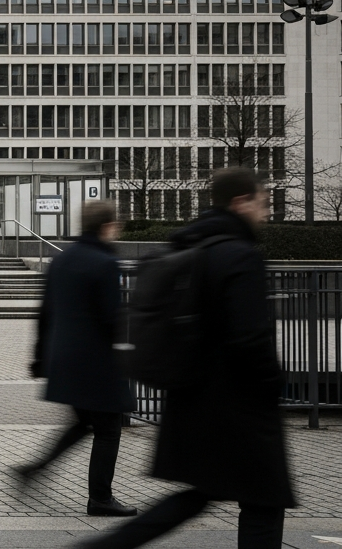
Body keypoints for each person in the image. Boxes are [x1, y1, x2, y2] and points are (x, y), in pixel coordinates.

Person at [82, 167, 295, 549]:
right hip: (240, 407)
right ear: (240, 202)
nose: (266, 214)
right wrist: (274, 385)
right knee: (264, 501)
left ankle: (102, 546)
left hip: (195, 399)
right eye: (262, 204)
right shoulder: (239, 255)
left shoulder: (195, 246)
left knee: (199, 496)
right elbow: (250, 339)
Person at [17, 200, 136, 516]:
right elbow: (111, 318)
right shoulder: (105, 262)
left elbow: (44, 312)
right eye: (116, 224)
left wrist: (39, 357)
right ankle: (100, 498)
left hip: (63, 358)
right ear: (106, 227)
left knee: (84, 422)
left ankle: (35, 468)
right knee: (109, 428)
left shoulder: (61, 260)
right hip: (94, 361)